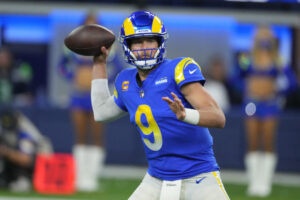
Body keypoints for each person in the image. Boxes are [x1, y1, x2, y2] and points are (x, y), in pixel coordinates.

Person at [91, 11, 230, 200]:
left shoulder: (178, 69)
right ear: (127, 45)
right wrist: (99, 63)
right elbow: (100, 113)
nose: (145, 47)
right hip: (156, 177)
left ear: (160, 42)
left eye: (150, 40)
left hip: (198, 175)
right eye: (138, 41)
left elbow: (218, 117)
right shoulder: (125, 81)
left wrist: (185, 114)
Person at [236, 26, 296, 197]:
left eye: (267, 34)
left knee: (268, 142)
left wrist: (277, 92)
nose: (263, 37)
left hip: (270, 104)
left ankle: (265, 183)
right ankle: (254, 182)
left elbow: (292, 82)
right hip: (252, 103)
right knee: (252, 141)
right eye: (260, 34)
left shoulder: (278, 59)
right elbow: (236, 77)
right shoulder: (247, 58)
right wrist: (246, 88)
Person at [59, 13, 106, 191]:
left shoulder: (106, 45)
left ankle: (92, 177)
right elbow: (61, 67)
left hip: (96, 95)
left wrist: (105, 80)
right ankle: (79, 177)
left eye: (95, 24)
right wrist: (73, 76)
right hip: (78, 95)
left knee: (96, 136)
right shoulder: (73, 45)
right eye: (88, 24)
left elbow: (117, 66)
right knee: (79, 136)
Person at [0, 108, 53, 192]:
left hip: (39, 161)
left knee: (17, 156)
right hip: (16, 157)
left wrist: (6, 152)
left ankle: (24, 179)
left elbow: (26, 159)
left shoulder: (26, 131)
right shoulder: (4, 127)